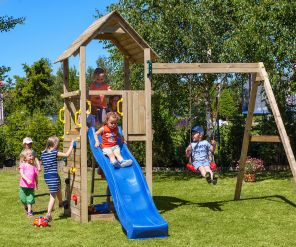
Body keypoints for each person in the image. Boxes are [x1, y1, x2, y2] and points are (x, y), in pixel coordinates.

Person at [40, 136, 74, 222]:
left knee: (58, 187)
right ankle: (48, 214)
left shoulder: (43, 153)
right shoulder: (54, 152)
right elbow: (67, 154)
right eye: (57, 144)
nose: (58, 145)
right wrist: (71, 145)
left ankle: (61, 202)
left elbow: (41, 163)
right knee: (52, 195)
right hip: (53, 176)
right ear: (54, 144)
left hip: (47, 176)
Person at [19, 149, 38, 217]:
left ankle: (29, 212)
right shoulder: (23, 165)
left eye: (32, 155)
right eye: (29, 156)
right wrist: (27, 179)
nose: (31, 157)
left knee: (30, 199)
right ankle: (26, 206)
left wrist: (37, 183)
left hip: (31, 186)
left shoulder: (34, 167)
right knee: (23, 199)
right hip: (23, 185)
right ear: (25, 158)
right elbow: (21, 173)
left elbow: (35, 176)